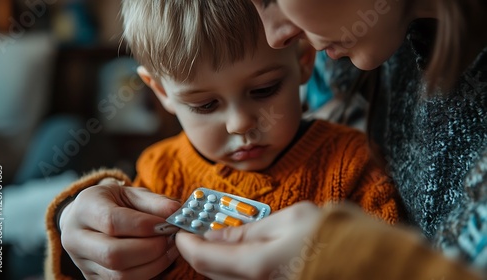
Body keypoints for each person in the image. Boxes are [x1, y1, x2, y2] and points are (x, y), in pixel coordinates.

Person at [44, 0, 403, 279]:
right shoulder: (159, 172)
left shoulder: (353, 162)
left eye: (264, 90)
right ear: (160, 92)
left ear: (304, 59)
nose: (239, 123)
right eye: (205, 104)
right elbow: (109, 259)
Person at [173, 0, 487, 279]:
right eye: (205, 105)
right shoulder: (338, 44)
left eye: (270, 0)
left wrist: (357, 260)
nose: (276, 36)